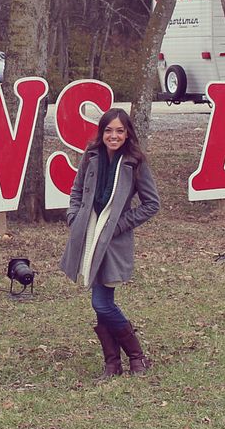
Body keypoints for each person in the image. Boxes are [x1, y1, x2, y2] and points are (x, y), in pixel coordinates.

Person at [58, 108, 161, 377]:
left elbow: (152, 204)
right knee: (99, 298)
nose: (113, 136)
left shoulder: (135, 162)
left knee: (102, 302)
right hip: (88, 234)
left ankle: (136, 356)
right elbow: (77, 190)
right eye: (108, 130)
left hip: (112, 241)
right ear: (102, 132)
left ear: (127, 134)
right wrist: (74, 216)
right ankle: (113, 363)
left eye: (119, 131)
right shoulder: (91, 156)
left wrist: (119, 225)